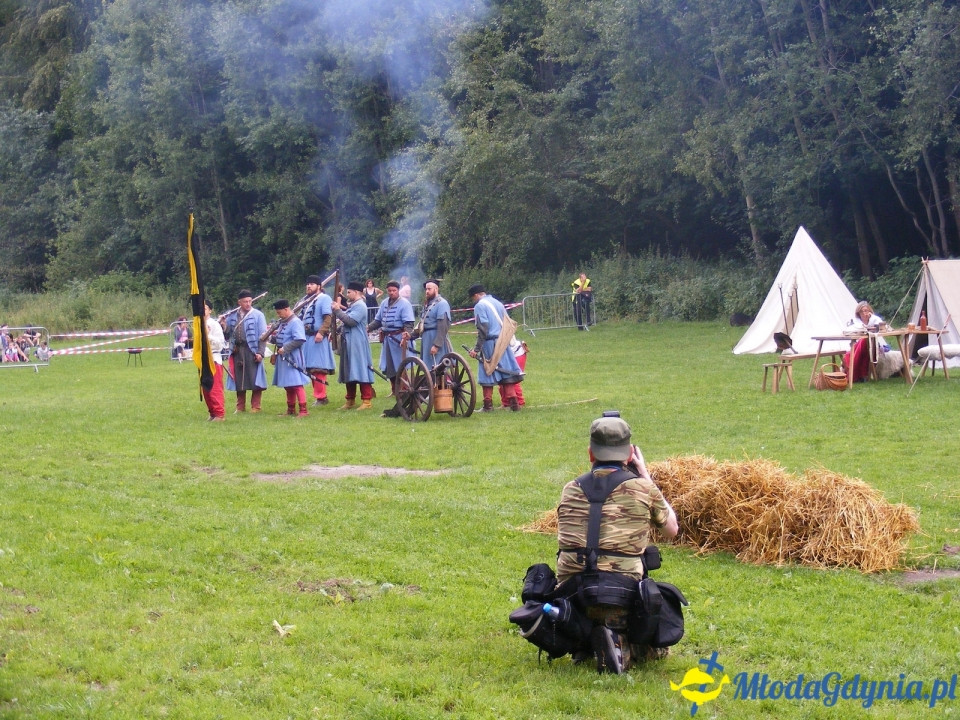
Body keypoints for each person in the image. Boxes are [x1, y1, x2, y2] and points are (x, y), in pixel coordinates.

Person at [555, 413, 679, 672]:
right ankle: (623, 646)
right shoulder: (643, 488)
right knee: (659, 649)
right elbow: (672, 530)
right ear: (629, 454)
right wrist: (645, 474)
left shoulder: (570, 488)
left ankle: (586, 640)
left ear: (591, 454)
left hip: (572, 596)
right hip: (620, 595)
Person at [466, 284, 523, 412]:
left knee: (487, 372)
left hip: (490, 343)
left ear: (476, 295)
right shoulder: (497, 303)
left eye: (473, 298)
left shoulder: (480, 305)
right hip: (503, 341)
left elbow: (483, 328)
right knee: (506, 372)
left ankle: (488, 406)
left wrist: (476, 349)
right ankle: (514, 404)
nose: (473, 301)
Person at [367, 280, 415, 416]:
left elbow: (409, 323)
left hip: (399, 338)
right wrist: (368, 327)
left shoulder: (404, 304)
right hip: (388, 340)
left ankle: (405, 390)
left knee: (402, 366)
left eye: (394, 290)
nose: (392, 293)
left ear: (398, 291)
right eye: (389, 291)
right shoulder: (384, 303)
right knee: (390, 367)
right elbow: (378, 320)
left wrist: (406, 336)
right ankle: (395, 390)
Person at [332, 281, 376, 410]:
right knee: (348, 369)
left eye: (349, 292)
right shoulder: (353, 305)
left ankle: (366, 401)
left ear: (356, 292)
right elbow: (345, 322)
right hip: (348, 341)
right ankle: (350, 400)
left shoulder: (360, 306)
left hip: (357, 341)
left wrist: (338, 310)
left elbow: (351, 321)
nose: (347, 294)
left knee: (361, 369)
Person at [222, 289, 268, 413]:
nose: (248, 304)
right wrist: (224, 325)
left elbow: (264, 336)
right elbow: (227, 335)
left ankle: (256, 406)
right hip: (237, 350)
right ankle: (240, 406)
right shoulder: (232, 316)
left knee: (255, 379)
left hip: (252, 350)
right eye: (245, 301)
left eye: (249, 301)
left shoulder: (258, 315)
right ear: (239, 302)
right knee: (238, 380)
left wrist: (260, 352)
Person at [269, 299, 311, 417]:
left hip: (293, 358)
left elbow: (299, 339)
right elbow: (281, 337)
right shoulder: (283, 322)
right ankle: (291, 409)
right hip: (283, 358)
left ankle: (303, 410)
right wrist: (271, 339)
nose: (278, 315)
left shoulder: (295, 322)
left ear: (286, 309)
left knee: (297, 384)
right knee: (288, 385)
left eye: (279, 312)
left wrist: (285, 348)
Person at [300, 275, 336, 406]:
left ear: (319, 286)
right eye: (308, 284)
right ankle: (318, 396)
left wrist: (321, 332)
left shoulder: (324, 298)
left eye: (312, 284)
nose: (309, 286)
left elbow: (328, 318)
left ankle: (322, 397)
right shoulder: (306, 300)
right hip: (307, 337)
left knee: (318, 368)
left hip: (317, 337)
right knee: (310, 368)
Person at [403, 279, 451, 372]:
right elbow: (422, 324)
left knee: (439, 369)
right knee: (428, 370)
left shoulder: (442, 303)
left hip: (436, 338)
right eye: (426, 289)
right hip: (426, 339)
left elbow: (443, 326)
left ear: (436, 289)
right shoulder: (428, 305)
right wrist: (411, 335)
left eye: (429, 289)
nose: (427, 291)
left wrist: (436, 345)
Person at [843, 300, 889, 383]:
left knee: (864, 341)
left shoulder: (874, 319)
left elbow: (883, 325)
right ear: (858, 313)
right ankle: (861, 375)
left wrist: (872, 317)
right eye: (862, 311)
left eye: (866, 311)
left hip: (873, 346)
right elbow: (849, 330)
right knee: (862, 342)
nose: (864, 313)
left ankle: (854, 375)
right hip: (858, 345)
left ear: (869, 311)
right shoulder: (855, 321)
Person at [202, 299, 226, 421]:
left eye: (205, 308)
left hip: (214, 358)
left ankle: (219, 413)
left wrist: (208, 335)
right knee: (205, 387)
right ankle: (212, 412)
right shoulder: (198, 324)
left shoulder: (214, 324)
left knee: (214, 387)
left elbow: (220, 344)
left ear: (210, 310)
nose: (202, 310)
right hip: (203, 360)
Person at [499, 336, 527, 408]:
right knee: (502, 380)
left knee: (514, 380)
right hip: (505, 354)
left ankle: (520, 402)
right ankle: (506, 403)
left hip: (517, 354)